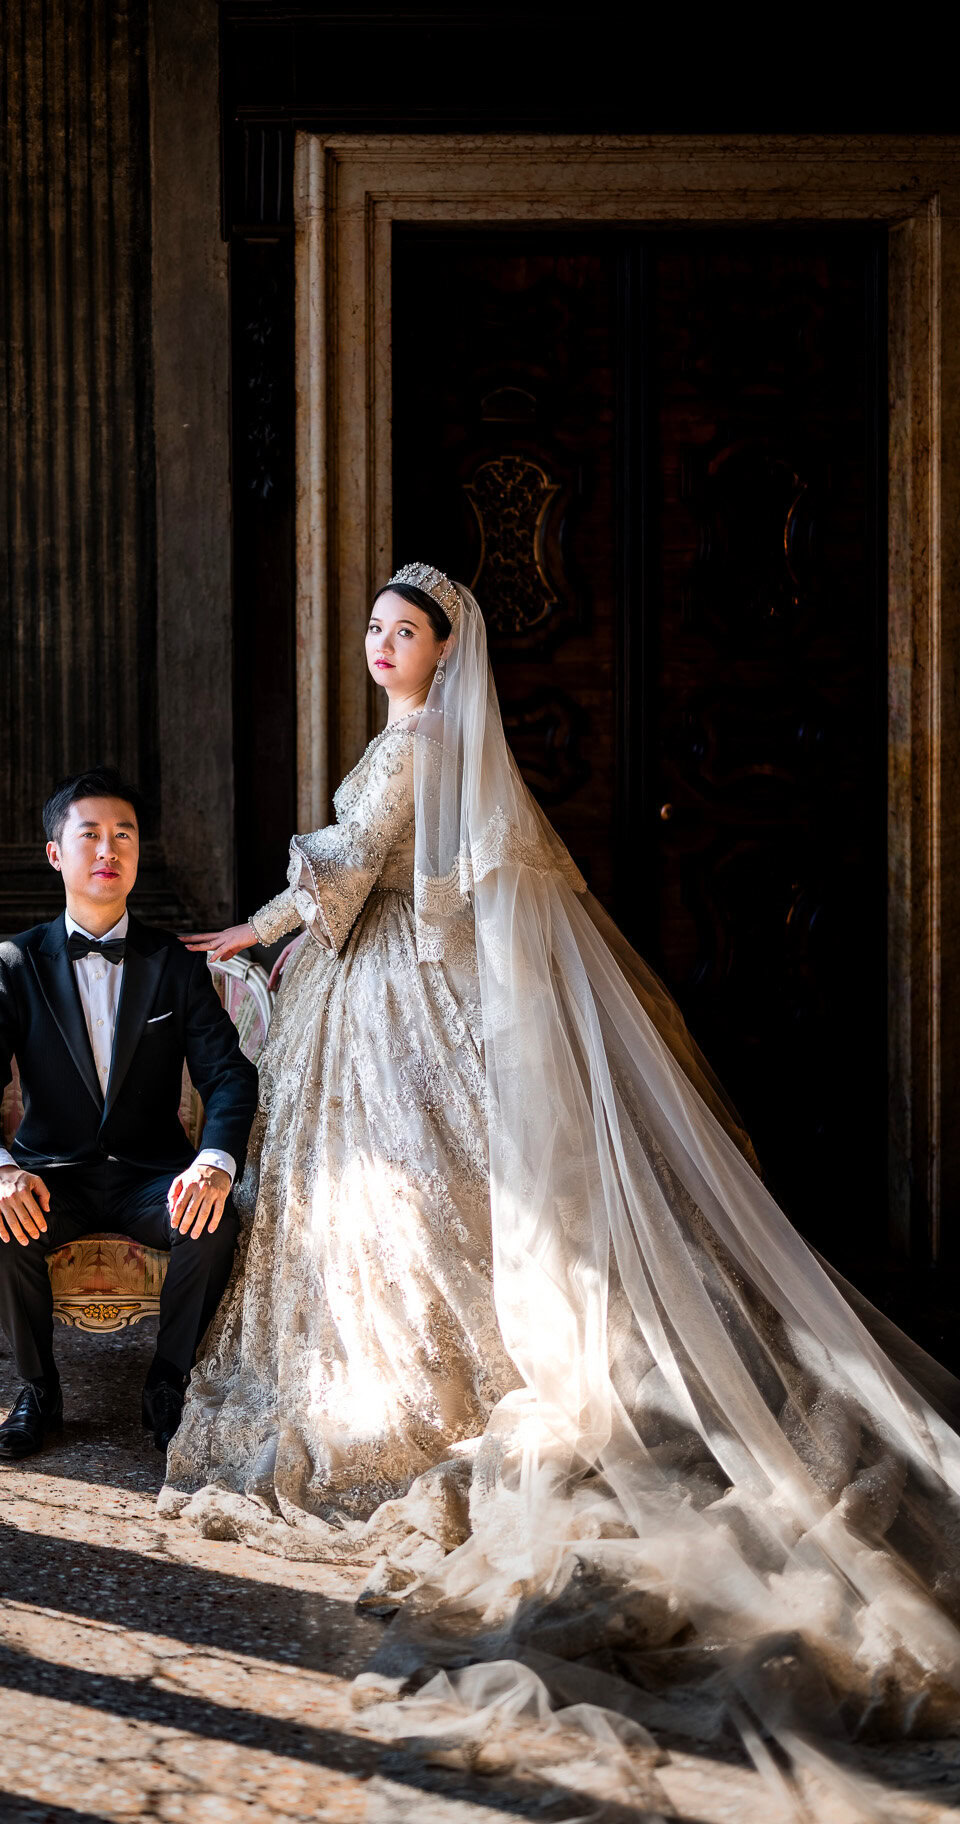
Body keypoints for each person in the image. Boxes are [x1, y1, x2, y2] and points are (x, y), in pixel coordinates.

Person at [165, 561, 960, 1804]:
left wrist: (256, 930)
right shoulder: (411, 737)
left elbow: (350, 867)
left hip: (390, 990)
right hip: (373, 982)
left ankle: (433, 1398)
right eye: (374, 628)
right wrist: (262, 928)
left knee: (423, 1205)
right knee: (397, 1211)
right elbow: (353, 872)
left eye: (405, 630)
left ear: (447, 650)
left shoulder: (426, 745)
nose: (382, 644)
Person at [0, 767, 257, 1461]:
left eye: (124, 835)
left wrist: (212, 1161)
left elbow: (229, 1075)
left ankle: (168, 1384)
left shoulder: (173, 964)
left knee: (215, 1220)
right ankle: (38, 1392)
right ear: (56, 853)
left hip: (154, 1175)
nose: (108, 849)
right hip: (54, 1175)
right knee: (5, 1224)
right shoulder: (13, 964)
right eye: (90, 835)